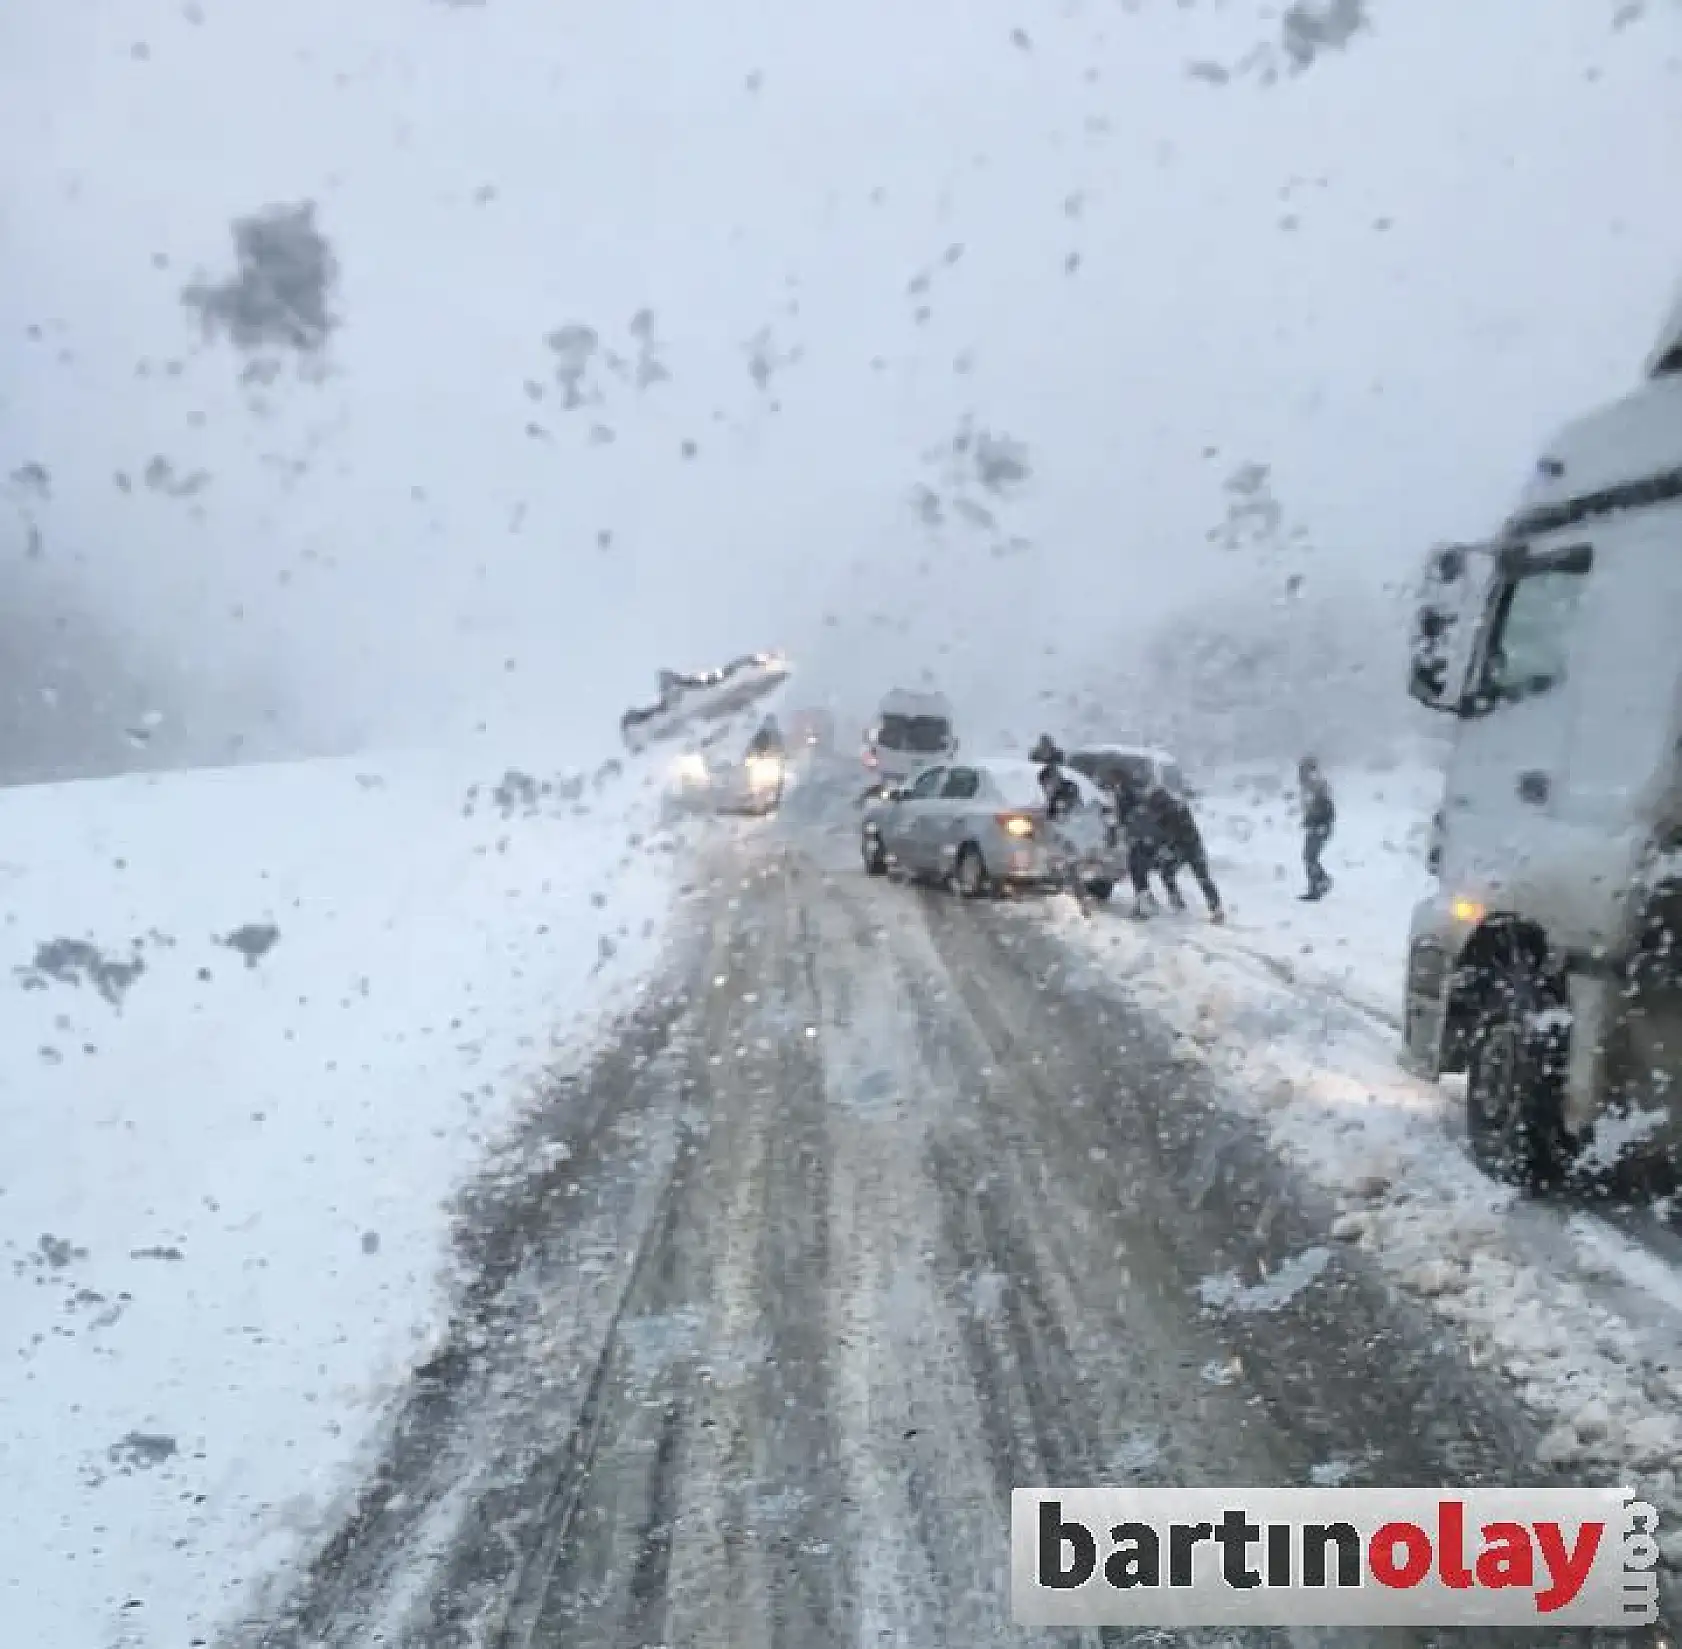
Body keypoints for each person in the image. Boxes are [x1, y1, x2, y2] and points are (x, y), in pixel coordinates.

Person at [1125, 778, 1224, 922]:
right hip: (1187, 846)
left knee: (1188, 875)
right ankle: (1195, 906)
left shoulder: (1172, 810)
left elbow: (1171, 832)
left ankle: (1204, 907)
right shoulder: (1172, 807)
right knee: (1181, 874)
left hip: (1187, 847)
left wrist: (1161, 846)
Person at [1299, 755, 1336, 901]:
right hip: (1315, 826)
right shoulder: (1310, 786)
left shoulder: (1317, 785)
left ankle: (1318, 885)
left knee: (1310, 857)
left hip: (1320, 827)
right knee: (1309, 857)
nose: (1300, 773)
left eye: (1303, 769)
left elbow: (1326, 808)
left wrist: (1321, 824)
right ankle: (1318, 884)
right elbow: (1311, 808)